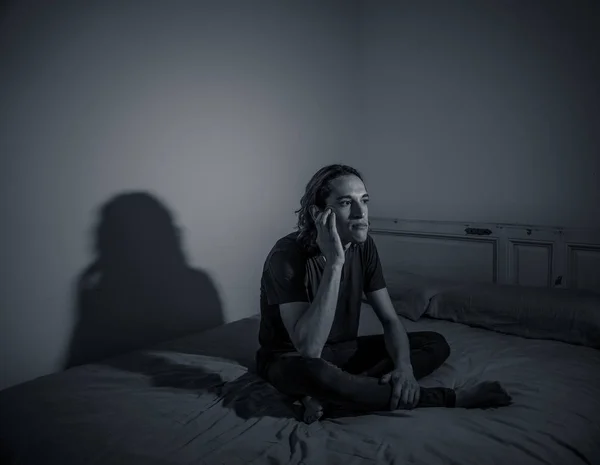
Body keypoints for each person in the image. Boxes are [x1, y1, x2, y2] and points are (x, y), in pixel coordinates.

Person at [256, 164, 511, 423]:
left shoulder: (364, 246)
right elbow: (309, 348)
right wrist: (335, 263)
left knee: (434, 343)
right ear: (318, 213)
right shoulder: (286, 255)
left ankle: (341, 394)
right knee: (317, 373)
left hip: (340, 351)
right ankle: (448, 398)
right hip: (292, 360)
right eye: (346, 203)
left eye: (364, 201)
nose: (360, 213)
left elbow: (389, 319)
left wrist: (404, 368)